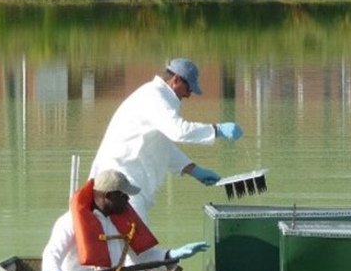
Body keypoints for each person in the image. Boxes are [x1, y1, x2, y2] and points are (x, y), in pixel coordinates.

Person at [89, 58, 243, 222]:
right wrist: (217, 130)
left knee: (133, 241)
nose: (189, 94)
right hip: (119, 183)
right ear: (175, 79)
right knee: (133, 241)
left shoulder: (161, 97)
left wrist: (193, 170)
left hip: (131, 182)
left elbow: (161, 145)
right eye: (188, 88)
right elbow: (178, 131)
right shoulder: (154, 96)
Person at [41, 169, 208, 271]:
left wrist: (171, 254)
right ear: (108, 196)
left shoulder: (124, 221)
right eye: (123, 195)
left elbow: (141, 257)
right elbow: (52, 253)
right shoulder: (70, 221)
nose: (128, 200)